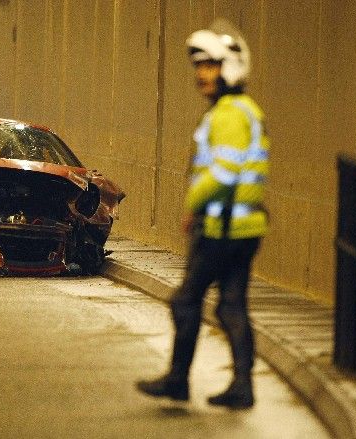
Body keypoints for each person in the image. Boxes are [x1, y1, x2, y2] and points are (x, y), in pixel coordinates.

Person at [136, 19, 270, 409]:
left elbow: (224, 174)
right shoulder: (244, 109)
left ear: (230, 67)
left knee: (185, 299)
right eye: (198, 67)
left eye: (209, 66)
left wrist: (194, 205)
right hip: (242, 225)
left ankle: (178, 380)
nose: (201, 75)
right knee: (230, 306)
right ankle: (242, 387)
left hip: (225, 227)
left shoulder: (230, 114)